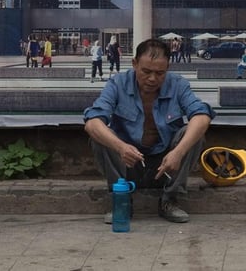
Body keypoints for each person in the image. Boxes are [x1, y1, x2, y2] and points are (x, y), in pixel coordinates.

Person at [83, 39, 214, 224]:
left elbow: (202, 116)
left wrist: (178, 152)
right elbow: (92, 122)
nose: (152, 79)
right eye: (146, 71)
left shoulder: (178, 85)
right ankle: (121, 200)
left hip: (167, 165)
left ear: (168, 68)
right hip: (129, 163)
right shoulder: (117, 84)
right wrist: (121, 147)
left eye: (160, 73)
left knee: (191, 133)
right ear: (135, 64)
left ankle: (170, 199)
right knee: (101, 135)